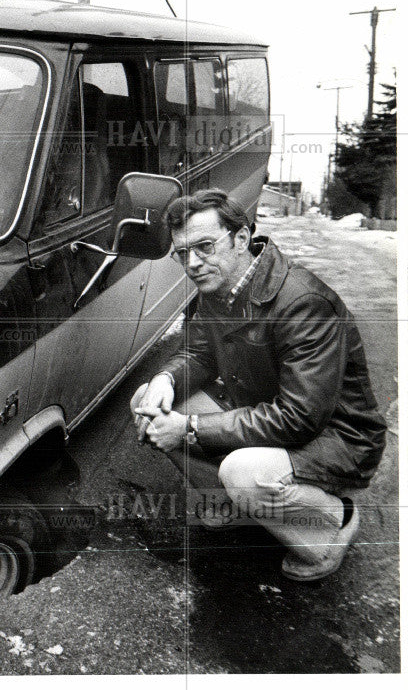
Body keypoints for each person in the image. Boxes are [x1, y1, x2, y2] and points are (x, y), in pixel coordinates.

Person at [131, 189, 386, 581]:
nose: (193, 263)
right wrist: (165, 379)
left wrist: (191, 428)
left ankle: (332, 528)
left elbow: (300, 418)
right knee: (147, 400)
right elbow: (197, 354)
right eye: (182, 253)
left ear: (240, 239)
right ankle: (236, 505)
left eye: (203, 246)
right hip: (269, 415)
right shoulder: (218, 286)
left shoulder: (303, 302)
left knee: (243, 472)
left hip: (337, 438)